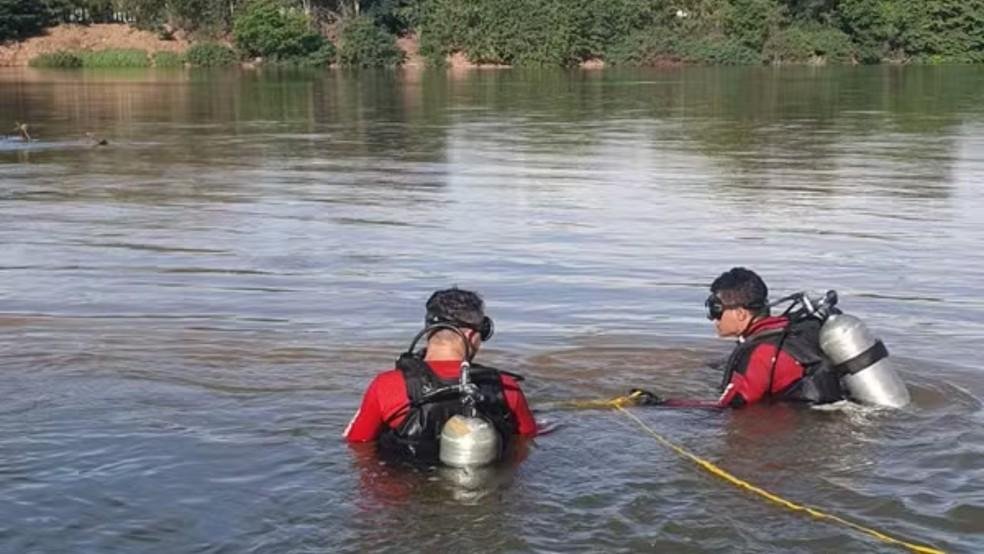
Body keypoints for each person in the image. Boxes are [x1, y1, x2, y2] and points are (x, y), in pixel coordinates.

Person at [344, 287, 537, 463]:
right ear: (471, 335)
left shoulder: (386, 386)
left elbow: (357, 443)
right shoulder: (506, 387)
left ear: (428, 330)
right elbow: (526, 442)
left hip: (408, 493)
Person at [706, 267, 845, 408]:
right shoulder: (790, 329)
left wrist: (683, 407)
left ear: (741, 313)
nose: (712, 318)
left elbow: (731, 406)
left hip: (807, 422)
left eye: (716, 310)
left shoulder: (760, 353)